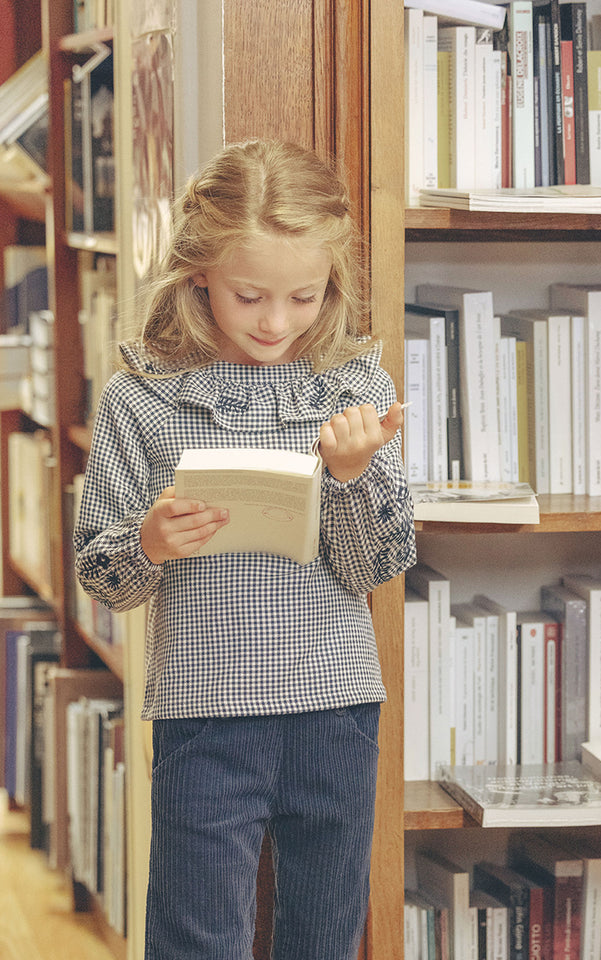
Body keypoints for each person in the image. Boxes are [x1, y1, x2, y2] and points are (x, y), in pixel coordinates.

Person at [74, 139, 416, 960]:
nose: (275, 321)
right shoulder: (142, 399)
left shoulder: (356, 389)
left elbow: (378, 565)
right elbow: (99, 572)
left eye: (304, 296)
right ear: (199, 273)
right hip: (204, 712)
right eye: (249, 295)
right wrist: (149, 542)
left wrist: (351, 478)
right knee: (196, 938)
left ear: (331, 281)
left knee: (324, 938)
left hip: (335, 710)